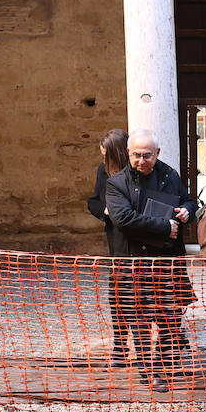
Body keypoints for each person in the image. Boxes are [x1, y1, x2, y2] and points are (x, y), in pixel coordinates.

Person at [106, 130, 198, 390]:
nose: (141, 160)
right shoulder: (116, 183)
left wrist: (186, 212)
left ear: (157, 153)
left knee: (170, 319)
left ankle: (163, 365)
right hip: (134, 264)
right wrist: (164, 227)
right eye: (136, 155)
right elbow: (123, 219)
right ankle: (149, 370)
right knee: (140, 322)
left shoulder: (169, 175)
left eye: (147, 155)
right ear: (128, 153)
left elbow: (189, 201)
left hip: (168, 263)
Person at [87, 129, 132, 365]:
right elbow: (94, 201)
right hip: (115, 241)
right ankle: (120, 346)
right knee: (118, 296)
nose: (103, 160)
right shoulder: (102, 171)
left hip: (137, 239)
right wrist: (104, 211)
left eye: (106, 155)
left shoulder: (134, 172)